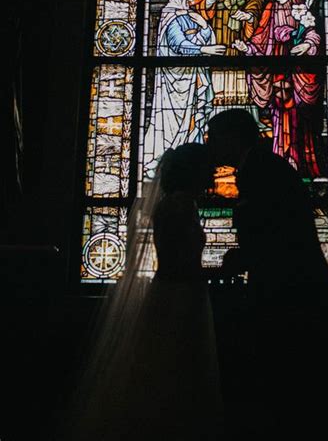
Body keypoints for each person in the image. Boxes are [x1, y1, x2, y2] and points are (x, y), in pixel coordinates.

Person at [67, 144, 222, 441]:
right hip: (178, 297)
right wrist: (222, 271)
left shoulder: (178, 203)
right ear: (192, 171)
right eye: (207, 165)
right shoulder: (179, 206)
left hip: (179, 293)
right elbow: (179, 264)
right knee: (173, 374)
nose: (214, 171)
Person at [206, 109, 328, 436]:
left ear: (233, 137)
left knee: (291, 384)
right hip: (291, 285)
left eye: (214, 138)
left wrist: (243, 257)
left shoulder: (259, 170)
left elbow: (273, 231)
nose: (210, 147)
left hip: (291, 292)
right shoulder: (261, 165)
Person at [233, 0, 324, 179]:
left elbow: (313, 32)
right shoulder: (269, 8)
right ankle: (281, 157)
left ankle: (297, 162)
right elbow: (260, 37)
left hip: (296, 71)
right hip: (277, 72)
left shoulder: (299, 5)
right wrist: (248, 49)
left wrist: (306, 45)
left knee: (297, 118)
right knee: (278, 116)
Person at [143, 0, 225, 179]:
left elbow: (203, 36)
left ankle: (193, 160)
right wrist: (204, 50)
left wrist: (204, 26)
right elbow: (178, 44)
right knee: (172, 120)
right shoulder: (170, 14)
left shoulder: (190, 14)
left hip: (191, 77)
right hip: (175, 79)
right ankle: (165, 159)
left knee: (193, 118)